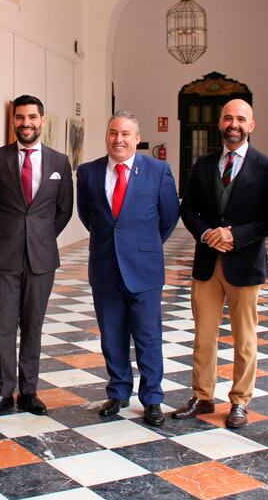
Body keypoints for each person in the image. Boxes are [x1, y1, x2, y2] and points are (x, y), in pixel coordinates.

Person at [174, 99, 268, 428]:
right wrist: (206, 233)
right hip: (208, 261)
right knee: (203, 336)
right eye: (228, 118)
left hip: (245, 263)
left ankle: (240, 401)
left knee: (244, 338)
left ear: (251, 125)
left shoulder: (266, 166)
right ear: (220, 123)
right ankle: (202, 396)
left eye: (241, 119)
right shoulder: (203, 164)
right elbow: (187, 208)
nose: (234, 124)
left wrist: (236, 236)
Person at [0, 94, 74, 418]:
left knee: (33, 325)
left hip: (41, 258)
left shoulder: (59, 162)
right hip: (2, 256)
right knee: (3, 327)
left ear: (42, 120)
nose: (25, 123)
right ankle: (3, 393)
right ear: (13, 120)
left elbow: (64, 210)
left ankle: (29, 392)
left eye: (31, 117)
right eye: (20, 117)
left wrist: (40, 238)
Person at [76, 110, 179, 426]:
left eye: (124, 134)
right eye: (113, 133)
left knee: (148, 336)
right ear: (106, 136)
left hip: (144, 269)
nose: (118, 140)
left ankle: (152, 398)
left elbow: (169, 217)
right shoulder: (89, 172)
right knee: (111, 335)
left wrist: (143, 245)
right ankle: (118, 391)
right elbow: (87, 216)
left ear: (137, 138)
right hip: (105, 267)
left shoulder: (158, 171)